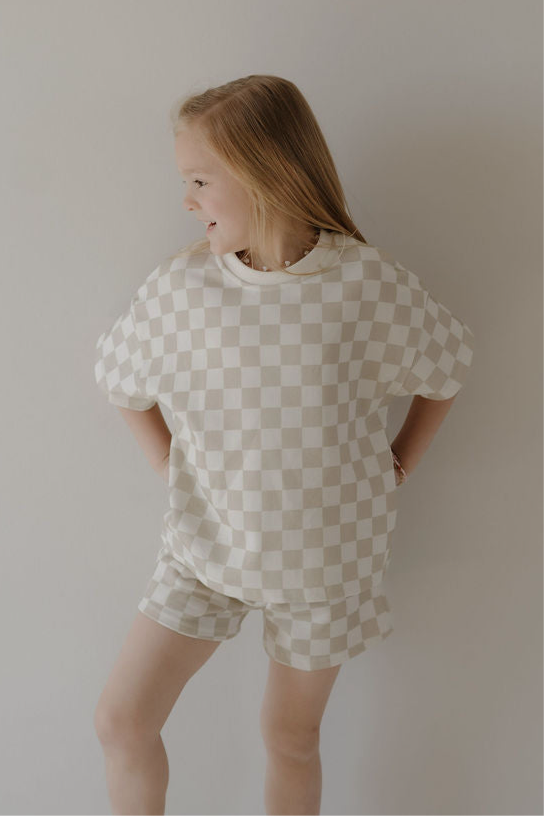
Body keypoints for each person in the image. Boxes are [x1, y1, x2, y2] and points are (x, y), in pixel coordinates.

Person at [92, 74, 475, 816]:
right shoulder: (181, 291)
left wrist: (403, 458)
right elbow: (119, 381)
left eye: (200, 180)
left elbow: (448, 368)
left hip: (326, 562)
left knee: (290, 737)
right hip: (203, 552)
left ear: (264, 172)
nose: (187, 200)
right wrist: (167, 462)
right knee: (122, 720)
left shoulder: (365, 285)